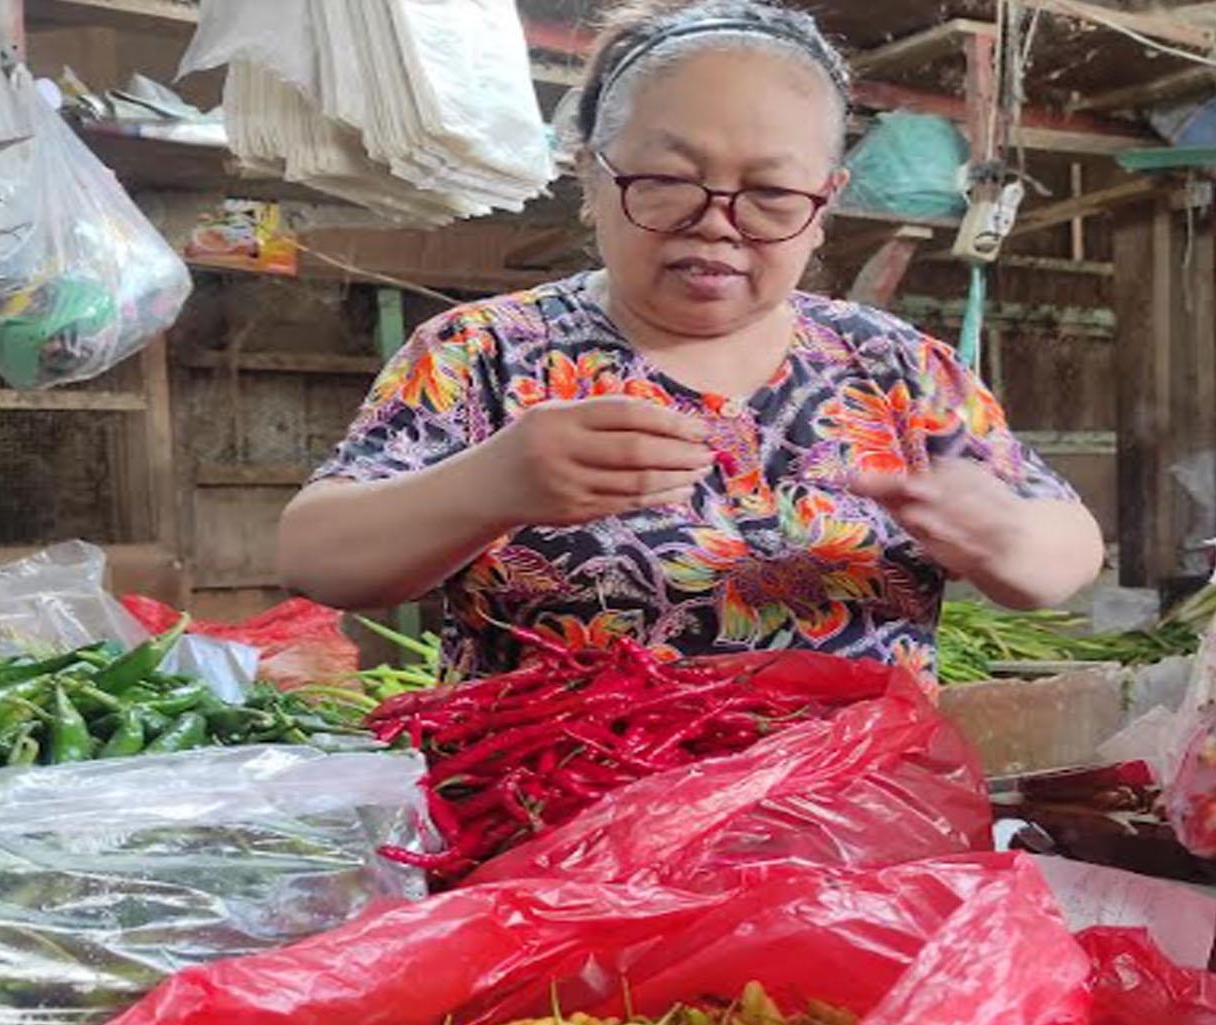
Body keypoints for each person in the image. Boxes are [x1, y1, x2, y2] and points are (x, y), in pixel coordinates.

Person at [279, 0, 1104, 678]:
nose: (716, 226)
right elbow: (319, 557)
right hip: (553, 834)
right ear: (592, 176)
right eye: (668, 182)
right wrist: (488, 486)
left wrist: (1005, 537)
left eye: (771, 194)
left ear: (825, 200)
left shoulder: (893, 366)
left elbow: (1064, 552)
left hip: (844, 831)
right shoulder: (488, 351)